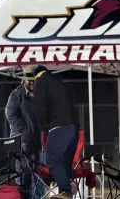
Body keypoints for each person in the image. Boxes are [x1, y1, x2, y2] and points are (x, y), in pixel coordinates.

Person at [32, 65, 79, 199]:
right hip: (73, 129)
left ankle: (65, 190)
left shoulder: (40, 81)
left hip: (58, 128)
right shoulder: (60, 83)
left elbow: (40, 107)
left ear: (36, 75)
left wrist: (43, 123)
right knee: (64, 162)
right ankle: (68, 187)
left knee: (51, 160)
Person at [5, 66, 44, 198]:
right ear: (23, 80)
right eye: (29, 81)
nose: (32, 83)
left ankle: (39, 197)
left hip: (38, 141)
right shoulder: (16, 95)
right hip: (22, 141)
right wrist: (25, 131)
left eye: (34, 80)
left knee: (39, 173)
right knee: (23, 174)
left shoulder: (41, 94)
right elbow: (11, 115)